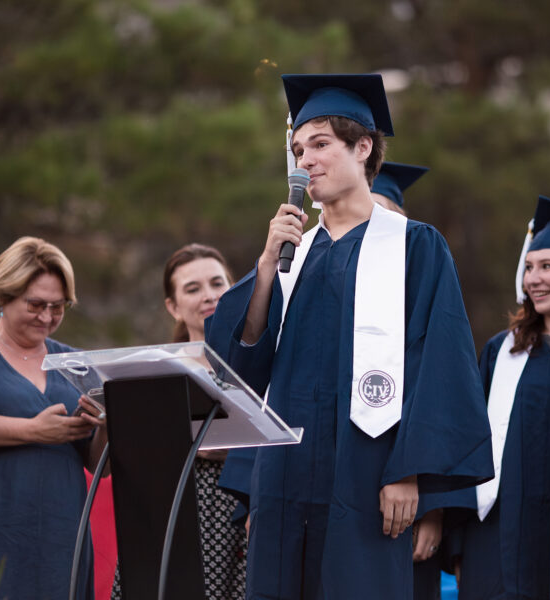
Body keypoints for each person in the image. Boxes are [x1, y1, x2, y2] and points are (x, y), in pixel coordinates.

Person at [206, 73, 494, 600]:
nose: (305, 161)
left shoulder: (415, 246)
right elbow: (242, 366)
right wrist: (267, 265)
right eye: (297, 150)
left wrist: (410, 474)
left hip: (365, 473)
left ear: (363, 147)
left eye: (320, 145)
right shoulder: (291, 254)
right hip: (286, 474)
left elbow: (440, 363)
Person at [448, 196, 550, 599]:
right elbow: (467, 445)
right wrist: (458, 544)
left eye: (547, 266)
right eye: (529, 267)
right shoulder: (502, 353)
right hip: (496, 539)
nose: (533, 279)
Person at [109, 242, 247, 600]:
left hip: (241, 509)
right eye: (192, 288)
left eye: (218, 283)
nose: (208, 295)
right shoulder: (155, 369)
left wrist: (229, 449)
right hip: (170, 509)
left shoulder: (256, 360)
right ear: (172, 306)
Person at [0, 236, 108, 600]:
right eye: (35, 304)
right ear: (4, 297)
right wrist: (34, 431)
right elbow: (41, 431)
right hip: (4, 522)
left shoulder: (77, 364)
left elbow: (99, 465)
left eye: (58, 307)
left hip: (63, 532)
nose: (46, 317)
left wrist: (107, 427)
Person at [371, 161, 446, 600]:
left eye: (382, 215)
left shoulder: (426, 291)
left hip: (408, 494)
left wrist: (434, 511)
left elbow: (442, 400)